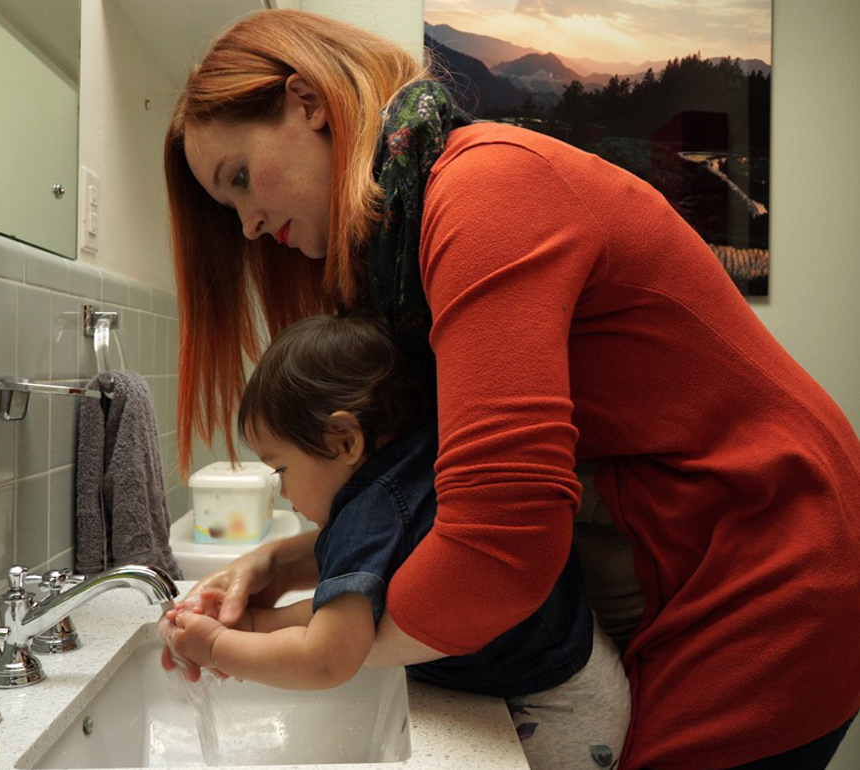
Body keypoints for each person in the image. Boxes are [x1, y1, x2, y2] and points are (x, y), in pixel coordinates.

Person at [162, 9, 860, 770]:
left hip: (773, 570)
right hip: (697, 565)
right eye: (230, 211)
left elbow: (500, 542)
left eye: (239, 179)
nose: (251, 227)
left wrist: (313, 635)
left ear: (308, 101)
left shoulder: (485, 190)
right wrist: (291, 564)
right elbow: (433, 498)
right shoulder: (407, 248)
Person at [159, 312, 631, 770]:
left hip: (551, 711)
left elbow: (327, 659)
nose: (283, 492)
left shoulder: (367, 512)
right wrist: (261, 605)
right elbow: (364, 574)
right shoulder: (424, 456)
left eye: (281, 469)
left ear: (344, 441)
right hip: (586, 672)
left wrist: (218, 646)